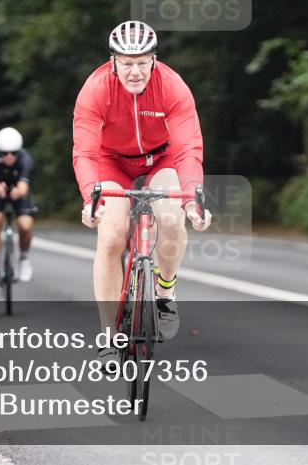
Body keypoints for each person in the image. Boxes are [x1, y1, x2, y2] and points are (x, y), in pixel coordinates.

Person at [72, 20, 211, 368]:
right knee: (111, 236)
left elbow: (188, 149)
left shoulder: (173, 86)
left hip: (161, 158)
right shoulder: (95, 89)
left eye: (142, 62)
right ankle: (108, 335)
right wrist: (91, 198)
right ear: (113, 62)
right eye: (126, 63)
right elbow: (85, 153)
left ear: (153, 59)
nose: (135, 71)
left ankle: (165, 292)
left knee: (171, 218)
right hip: (111, 161)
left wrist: (192, 199)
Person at [0, 127, 36, 283]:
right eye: (5, 153)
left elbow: (24, 187)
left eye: (13, 153)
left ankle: (24, 258)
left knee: (26, 225)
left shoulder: (25, 159)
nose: (9, 156)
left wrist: (18, 191)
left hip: (18, 192)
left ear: (18, 151)